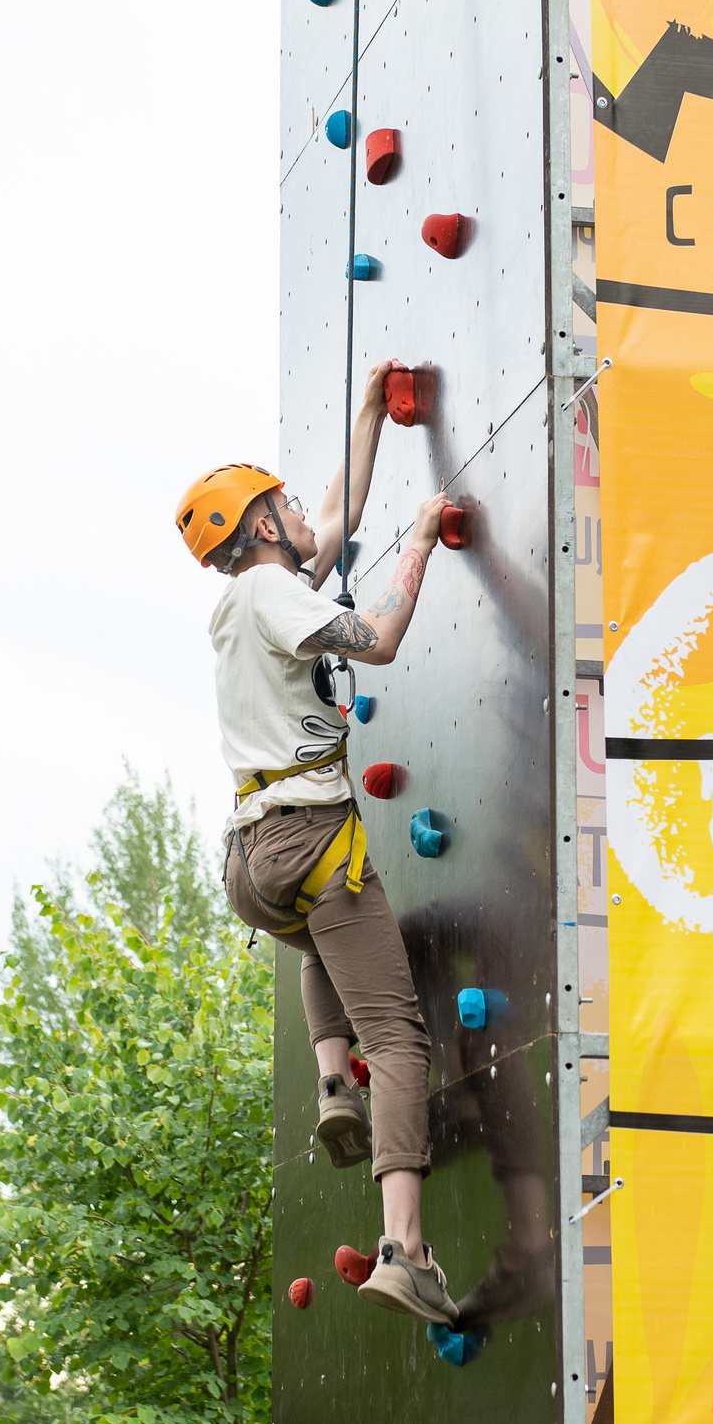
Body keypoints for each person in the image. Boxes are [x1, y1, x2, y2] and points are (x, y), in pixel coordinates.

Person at [175, 359, 456, 1326]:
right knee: (403, 1035)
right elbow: (375, 639)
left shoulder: (239, 603)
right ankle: (406, 1249)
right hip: (312, 841)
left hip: (252, 862)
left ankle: (333, 1080)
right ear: (261, 529)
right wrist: (419, 540)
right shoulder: (272, 595)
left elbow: (333, 513)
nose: (302, 510)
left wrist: (374, 411)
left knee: (321, 951)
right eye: (283, 505)